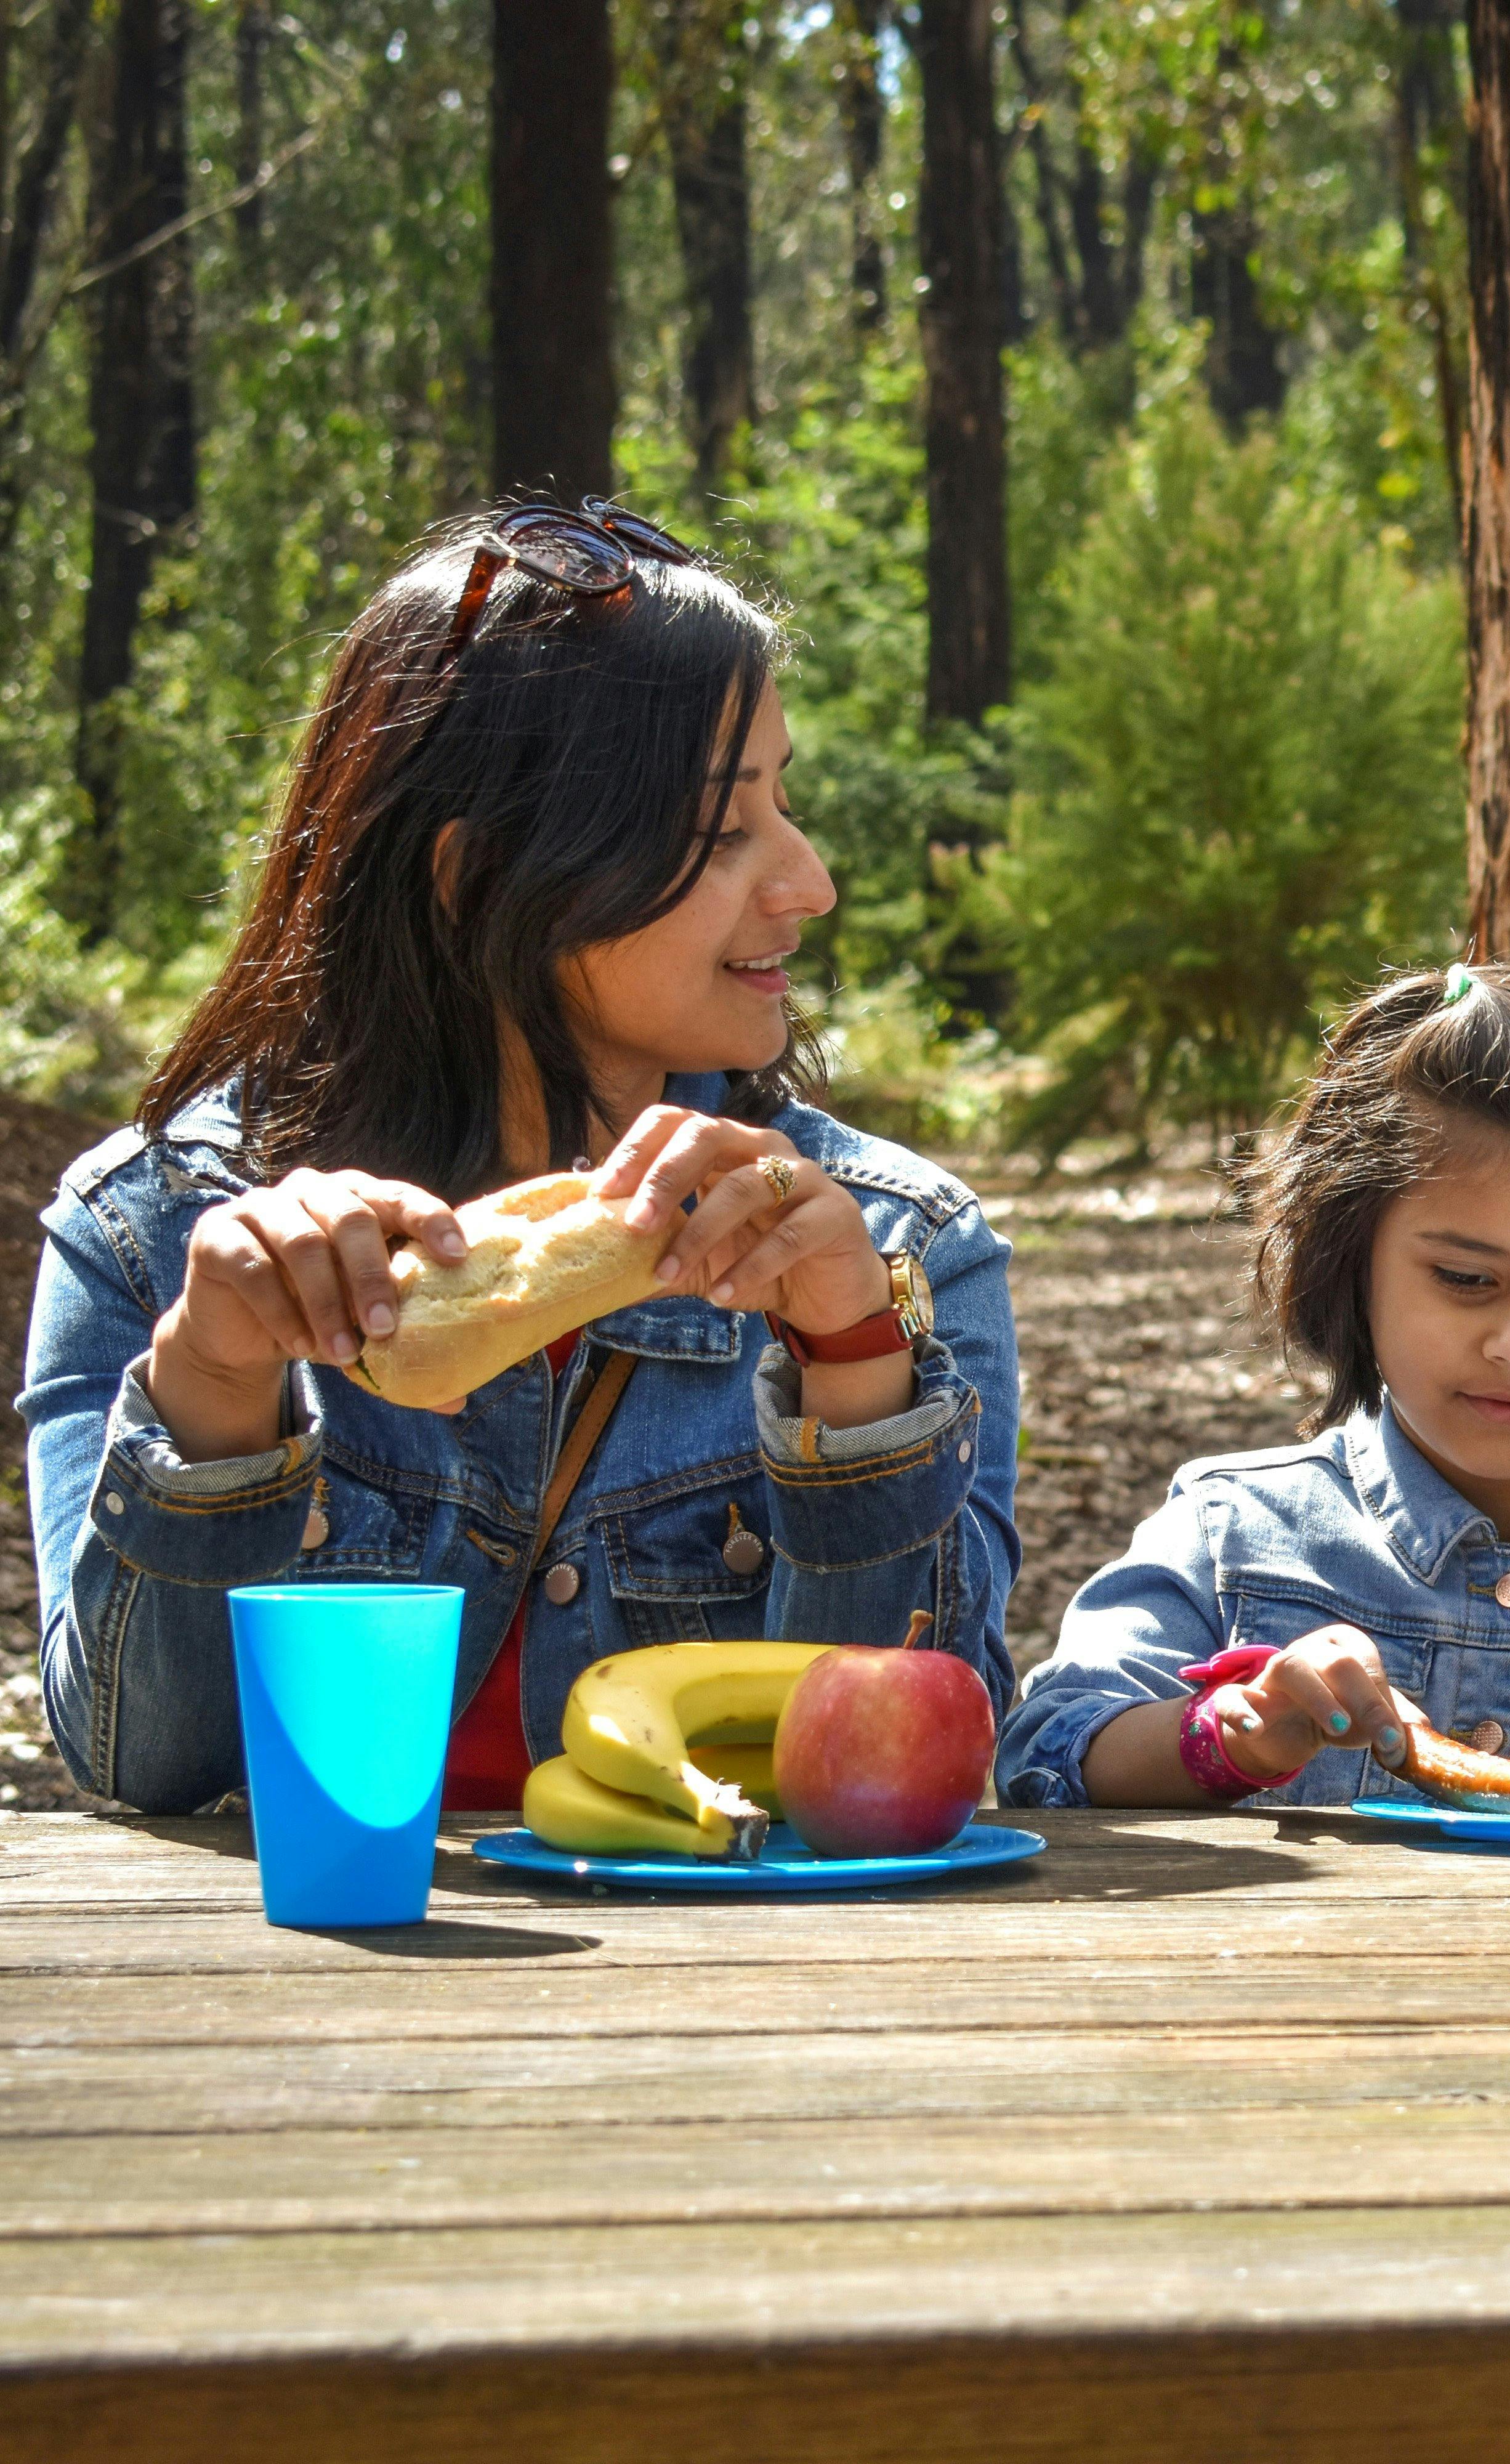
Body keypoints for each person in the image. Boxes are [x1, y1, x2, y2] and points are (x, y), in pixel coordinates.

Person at [26, 501, 1022, 1815]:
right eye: (725, 830)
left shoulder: (896, 1245)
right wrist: (215, 1377)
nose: (811, 881)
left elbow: (906, 1777)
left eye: (788, 804)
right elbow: (143, 1758)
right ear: (479, 871)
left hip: (740, 1999)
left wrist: (853, 1360)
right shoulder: (157, 1232)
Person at [999, 962, 1510, 1809]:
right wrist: (1237, 1734)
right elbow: (1048, 1750)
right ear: (1351, 1258)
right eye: (1466, 1278)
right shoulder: (1231, 1541)